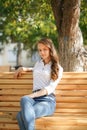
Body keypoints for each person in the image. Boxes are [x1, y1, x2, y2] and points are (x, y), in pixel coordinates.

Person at [14, 38, 63, 130]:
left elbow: (49, 88)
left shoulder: (58, 68)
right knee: (24, 99)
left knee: (20, 116)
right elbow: (37, 70)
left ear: (50, 50)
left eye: (45, 49)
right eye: (40, 50)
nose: (42, 52)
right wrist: (24, 68)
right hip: (34, 100)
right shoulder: (38, 64)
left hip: (47, 101)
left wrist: (32, 95)